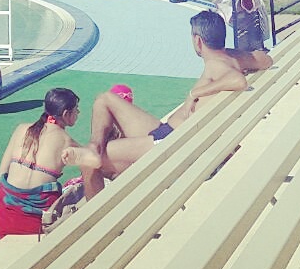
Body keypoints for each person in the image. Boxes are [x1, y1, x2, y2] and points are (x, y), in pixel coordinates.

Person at [69, 10, 272, 198]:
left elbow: (238, 81)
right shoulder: (232, 57)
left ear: (198, 40)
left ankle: (94, 219)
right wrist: (243, 58)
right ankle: (95, 148)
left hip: (173, 147)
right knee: (105, 100)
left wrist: (196, 92)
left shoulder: (216, 65)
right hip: (169, 133)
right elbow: (266, 60)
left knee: (88, 164)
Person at [0, 88, 80, 237]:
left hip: (3, 217)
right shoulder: (68, 142)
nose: (78, 113)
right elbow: (96, 164)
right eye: (76, 109)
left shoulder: (21, 129)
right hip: (36, 226)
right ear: (66, 114)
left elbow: (2, 172)